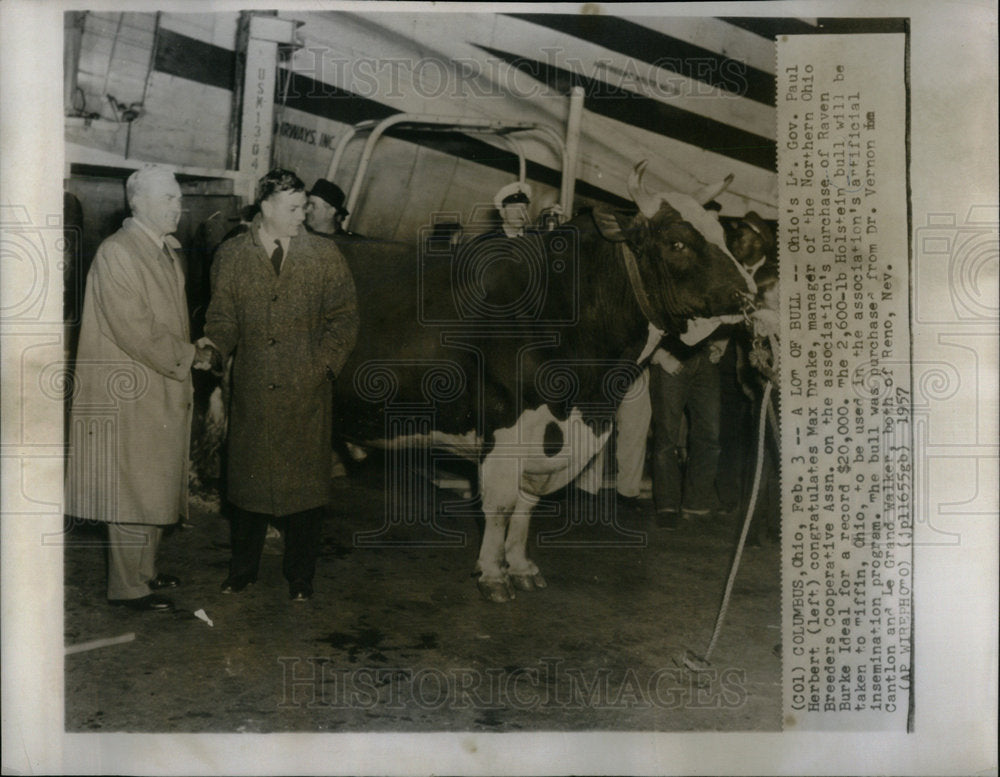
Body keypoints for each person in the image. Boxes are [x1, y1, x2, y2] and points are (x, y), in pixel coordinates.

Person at [65, 165, 217, 612]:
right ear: (139, 203)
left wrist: (191, 348)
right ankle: (128, 586)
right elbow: (136, 329)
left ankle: (144, 573)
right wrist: (192, 356)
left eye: (177, 198)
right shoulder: (119, 252)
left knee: (151, 481)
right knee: (131, 487)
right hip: (129, 389)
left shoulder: (162, 250)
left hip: (155, 385)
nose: (179, 206)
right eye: (168, 198)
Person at [203, 168, 359, 602]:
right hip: (254, 389)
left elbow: (344, 320)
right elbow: (223, 319)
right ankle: (242, 570)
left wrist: (323, 368)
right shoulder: (232, 256)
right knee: (248, 489)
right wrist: (213, 349)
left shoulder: (324, 256)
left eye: (304, 208)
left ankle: (301, 576)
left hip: (306, 392)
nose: (301, 217)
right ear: (266, 208)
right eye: (292, 209)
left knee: (306, 493)